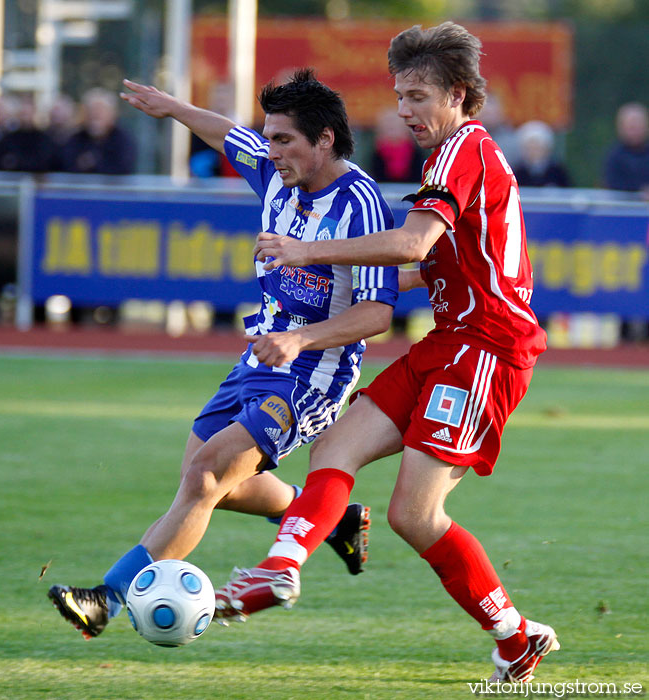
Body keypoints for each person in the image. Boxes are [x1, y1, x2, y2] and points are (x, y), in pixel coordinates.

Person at [216, 23, 559, 684]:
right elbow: (420, 268)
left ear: (458, 95)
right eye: (399, 95)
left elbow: (409, 246)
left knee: (412, 514)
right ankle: (278, 569)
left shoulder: (466, 149)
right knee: (334, 450)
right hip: (449, 342)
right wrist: (337, 284)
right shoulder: (448, 159)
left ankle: (513, 633)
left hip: (486, 348)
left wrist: (307, 251)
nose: (404, 110)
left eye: (418, 95)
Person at [47, 68, 398, 640]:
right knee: (209, 479)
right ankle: (332, 522)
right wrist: (172, 106)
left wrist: (301, 339)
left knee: (205, 477)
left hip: (313, 371)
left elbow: (377, 313)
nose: (270, 149)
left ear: (326, 139)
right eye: (271, 137)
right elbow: (227, 133)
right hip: (260, 355)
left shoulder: (359, 203)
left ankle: (105, 599)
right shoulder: (276, 171)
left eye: (284, 139)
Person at [60, 88, 136, 174]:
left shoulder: (123, 141)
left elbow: (122, 169)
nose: (95, 115)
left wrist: (92, 164)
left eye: (100, 110)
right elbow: (67, 166)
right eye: (91, 110)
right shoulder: (74, 139)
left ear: (112, 114)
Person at [603, 101, 649, 200]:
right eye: (631, 126)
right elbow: (613, 185)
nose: (635, 130)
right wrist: (639, 194)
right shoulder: (614, 157)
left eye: (638, 126)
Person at [371, 107, 426, 183]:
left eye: (395, 127)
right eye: (389, 127)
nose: (392, 132)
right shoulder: (376, 155)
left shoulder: (416, 154)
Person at [512, 120, 570, 188]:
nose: (533, 151)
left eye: (537, 147)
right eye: (530, 147)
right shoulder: (517, 172)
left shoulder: (557, 171)